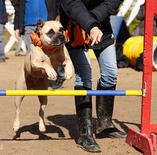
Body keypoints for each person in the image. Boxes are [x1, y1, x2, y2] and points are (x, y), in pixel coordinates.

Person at [60, 0, 126, 153]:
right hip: (74, 22)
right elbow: (71, 4)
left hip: (101, 21)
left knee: (110, 73)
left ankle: (105, 124)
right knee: (84, 74)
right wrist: (90, 24)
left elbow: (112, 2)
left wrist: (94, 20)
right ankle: (85, 134)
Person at [13, 0, 65, 89]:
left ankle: (60, 76)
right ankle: (33, 79)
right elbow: (18, 7)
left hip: (48, 24)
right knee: (31, 54)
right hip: (28, 23)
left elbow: (57, 4)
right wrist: (17, 26)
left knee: (56, 51)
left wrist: (57, 19)